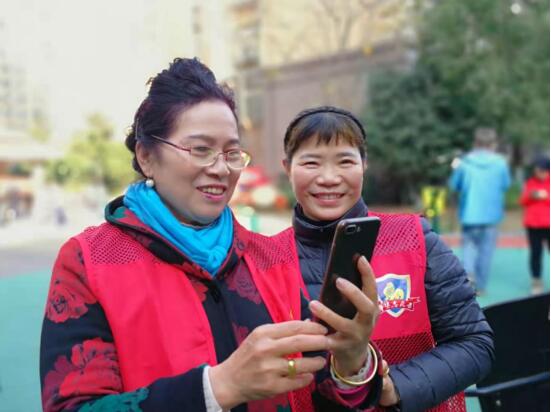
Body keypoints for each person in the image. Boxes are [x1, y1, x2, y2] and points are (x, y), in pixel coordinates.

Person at [39, 59, 386, 412]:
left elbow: (317, 388)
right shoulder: (90, 261)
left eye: (231, 153)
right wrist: (218, 388)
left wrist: (351, 361)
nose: (221, 169)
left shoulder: (268, 257)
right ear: (146, 157)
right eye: (201, 150)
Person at [274, 106, 494, 412]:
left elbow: (474, 344)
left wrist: (393, 387)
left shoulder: (414, 238)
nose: (329, 178)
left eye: (345, 161)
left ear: (364, 164)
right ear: (288, 168)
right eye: (311, 162)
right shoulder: (266, 259)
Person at [448, 128, 511, 295]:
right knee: (486, 251)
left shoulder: (464, 163)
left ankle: (468, 278)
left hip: (470, 213)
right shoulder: (500, 163)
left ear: (475, 142)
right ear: (493, 143)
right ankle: (481, 285)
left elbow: (454, 185)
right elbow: (505, 185)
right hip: (491, 215)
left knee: (468, 248)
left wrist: (455, 169)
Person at [519, 156, 550, 295]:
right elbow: (522, 201)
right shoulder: (530, 183)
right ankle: (536, 280)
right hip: (533, 225)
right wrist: (531, 196)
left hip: (548, 224)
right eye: (536, 171)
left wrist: (546, 196)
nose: (538, 173)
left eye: (541, 171)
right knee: (536, 253)